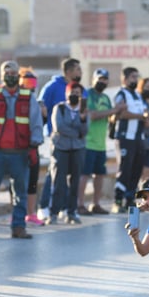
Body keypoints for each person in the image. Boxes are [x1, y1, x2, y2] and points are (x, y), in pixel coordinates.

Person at [0, 60, 44, 239]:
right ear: (1, 75)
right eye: (7, 73)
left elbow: (36, 123)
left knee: (20, 193)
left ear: (18, 76)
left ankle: (18, 227)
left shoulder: (28, 97)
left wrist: (34, 147)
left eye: (14, 73)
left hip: (20, 153)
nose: (11, 76)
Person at [37, 57, 81, 220]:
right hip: (56, 138)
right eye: (77, 69)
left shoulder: (77, 88)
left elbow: (84, 117)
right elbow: (41, 105)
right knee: (54, 174)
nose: (80, 73)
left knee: (71, 176)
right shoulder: (52, 86)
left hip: (75, 142)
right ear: (68, 71)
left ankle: (66, 207)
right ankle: (45, 206)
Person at [77, 68, 120, 216]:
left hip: (101, 143)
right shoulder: (87, 95)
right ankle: (80, 204)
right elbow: (92, 115)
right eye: (99, 79)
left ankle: (96, 204)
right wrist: (114, 111)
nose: (102, 82)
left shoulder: (106, 98)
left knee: (100, 174)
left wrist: (115, 115)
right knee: (84, 174)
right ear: (93, 79)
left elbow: (109, 117)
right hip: (87, 142)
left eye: (104, 79)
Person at [46, 81, 89, 224]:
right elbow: (59, 127)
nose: (74, 95)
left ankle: (72, 212)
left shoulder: (83, 110)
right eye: (72, 92)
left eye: (77, 93)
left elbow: (85, 131)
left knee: (75, 181)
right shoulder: (60, 108)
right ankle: (54, 212)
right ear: (66, 93)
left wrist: (82, 120)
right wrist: (77, 133)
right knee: (59, 182)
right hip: (61, 148)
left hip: (77, 149)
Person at [111, 67, 148, 212]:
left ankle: (131, 199)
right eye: (133, 77)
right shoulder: (121, 94)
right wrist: (140, 116)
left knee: (136, 170)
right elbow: (122, 113)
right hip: (125, 138)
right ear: (125, 79)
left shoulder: (138, 96)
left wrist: (145, 116)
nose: (135, 80)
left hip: (139, 138)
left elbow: (146, 113)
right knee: (124, 170)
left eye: (136, 77)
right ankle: (117, 201)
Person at [18, 69, 44, 225]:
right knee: (18, 182)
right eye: (27, 82)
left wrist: (44, 114)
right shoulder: (15, 100)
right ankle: (18, 213)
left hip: (33, 148)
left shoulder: (37, 103)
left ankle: (31, 213)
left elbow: (41, 126)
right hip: (17, 148)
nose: (30, 86)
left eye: (33, 83)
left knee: (33, 181)